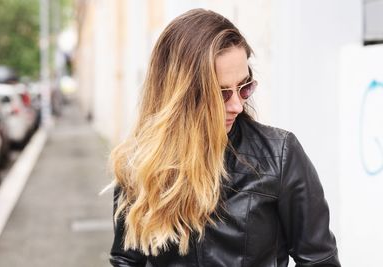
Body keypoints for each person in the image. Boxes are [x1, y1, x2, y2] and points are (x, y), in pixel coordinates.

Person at [109, 8, 340, 267]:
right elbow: (126, 260)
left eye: (244, 87)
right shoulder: (141, 164)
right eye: (221, 94)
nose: (237, 106)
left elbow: (320, 260)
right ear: (181, 97)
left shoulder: (280, 156)